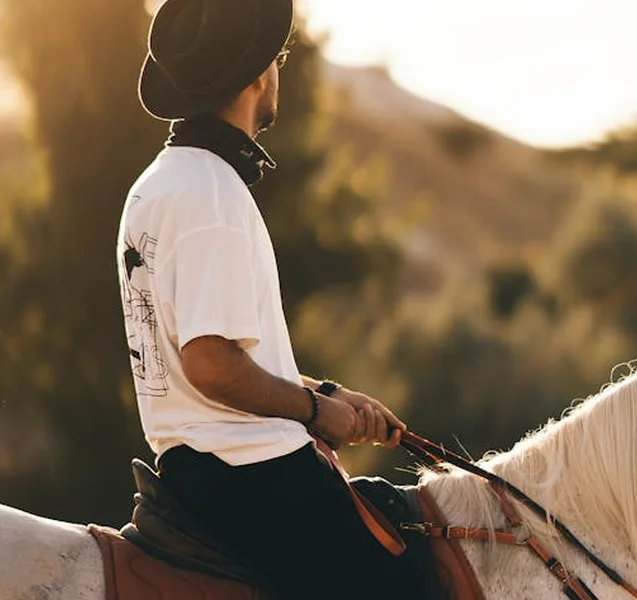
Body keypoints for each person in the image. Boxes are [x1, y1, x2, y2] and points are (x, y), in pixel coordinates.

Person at [116, 0, 422, 597]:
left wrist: (328, 394)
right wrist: (317, 415)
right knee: (409, 582)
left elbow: (210, 356)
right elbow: (210, 363)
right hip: (248, 472)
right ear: (259, 76)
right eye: (277, 60)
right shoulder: (212, 192)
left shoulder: (157, 182)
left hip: (196, 469)